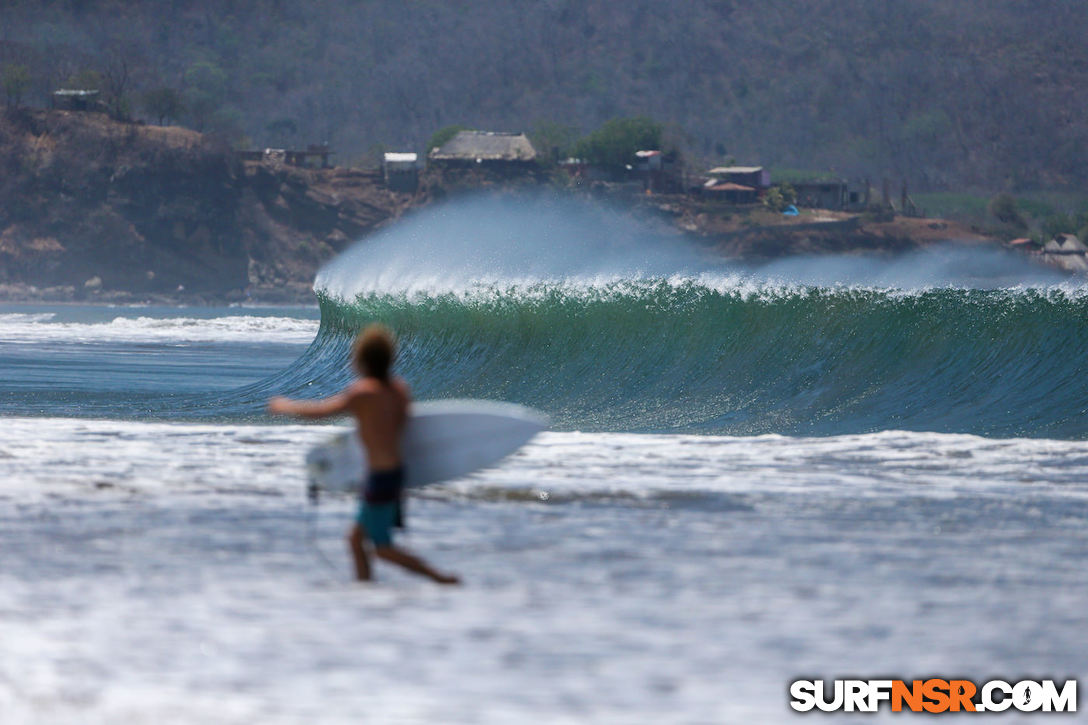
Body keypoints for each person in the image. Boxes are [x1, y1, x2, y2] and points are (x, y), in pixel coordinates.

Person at [268, 324, 459, 585]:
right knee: (356, 540)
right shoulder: (399, 390)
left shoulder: (363, 393)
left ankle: (441, 579)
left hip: (381, 478)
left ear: (361, 359)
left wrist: (285, 406)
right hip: (393, 473)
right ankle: (365, 592)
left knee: (382, 548)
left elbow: (322, 412)